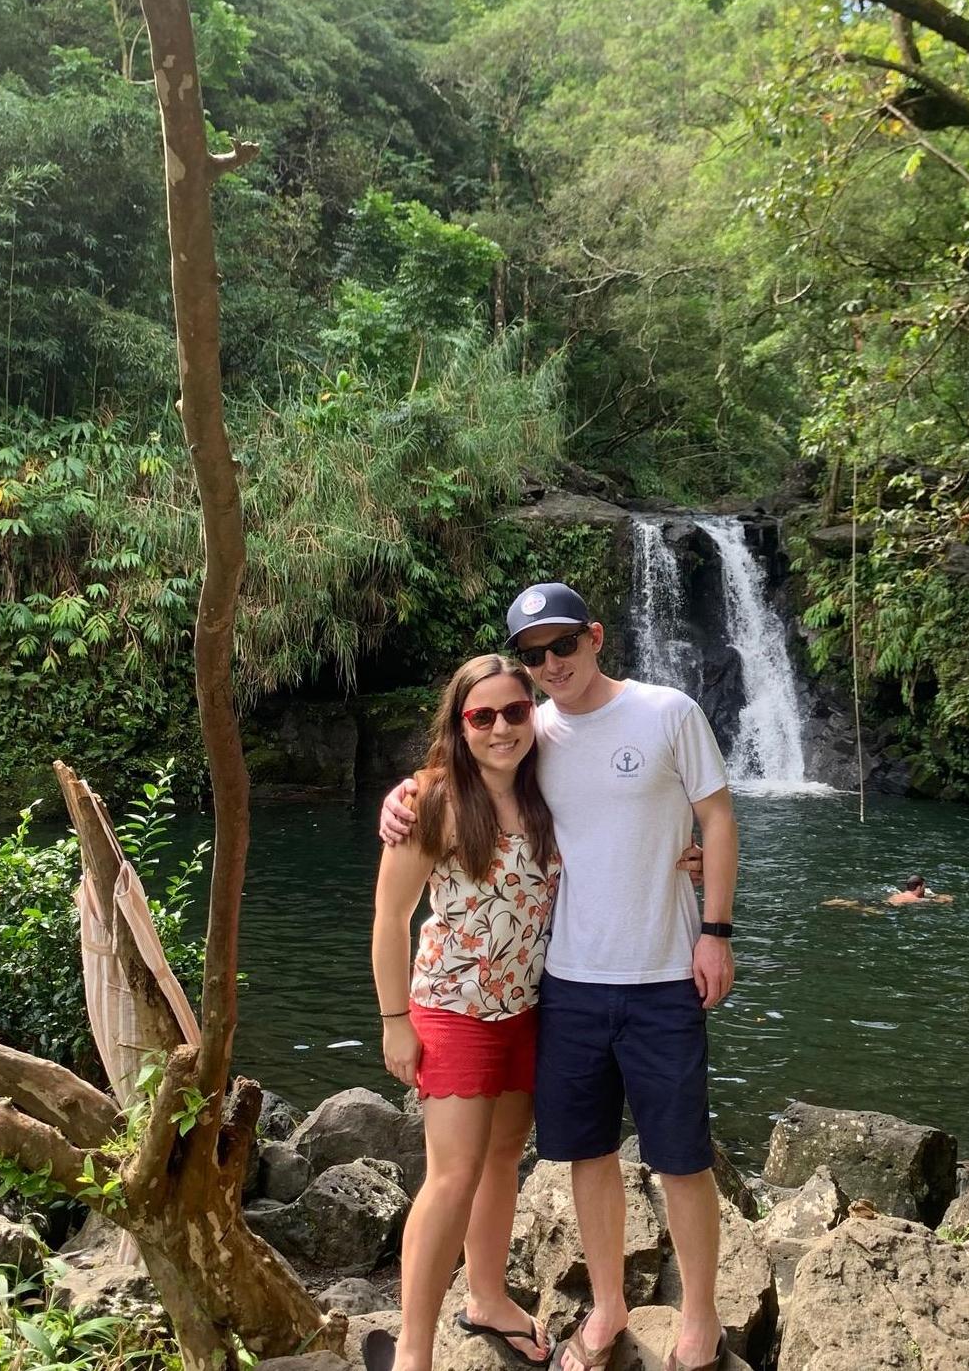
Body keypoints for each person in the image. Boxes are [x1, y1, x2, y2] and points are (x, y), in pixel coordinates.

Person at [380, 582, 738, 1371]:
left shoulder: (660, 712)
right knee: (576, 1155)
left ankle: (699, 1317)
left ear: (594, 637)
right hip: (556, 988)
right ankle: (592, 1309)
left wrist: (714, 926)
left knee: (675, 1156)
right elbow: (446, 778)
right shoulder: (526, 734)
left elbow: (712, 817)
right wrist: (400, 797)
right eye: (534, 654)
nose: (548, 666)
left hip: (637, 979)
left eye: (561, 646)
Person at [368, 654, 561, 1371]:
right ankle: (413, 1351)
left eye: (516, 711)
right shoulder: (436, 801)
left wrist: (685, 856)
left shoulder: (545, 790)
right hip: (452, 1009)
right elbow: (391, 916)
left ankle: (486, 1295)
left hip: (524, 1009)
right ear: (459, 724)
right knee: (450, 1176)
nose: (502, 727)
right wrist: (394, 1020)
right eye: (483, 716)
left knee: (504, 1156)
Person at [885, 875, 953, 906]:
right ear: (919, 886)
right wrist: (934, 895)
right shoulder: (916, 900)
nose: (925, 889)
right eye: (924, 887)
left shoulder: (897, 895)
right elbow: (947, 899)